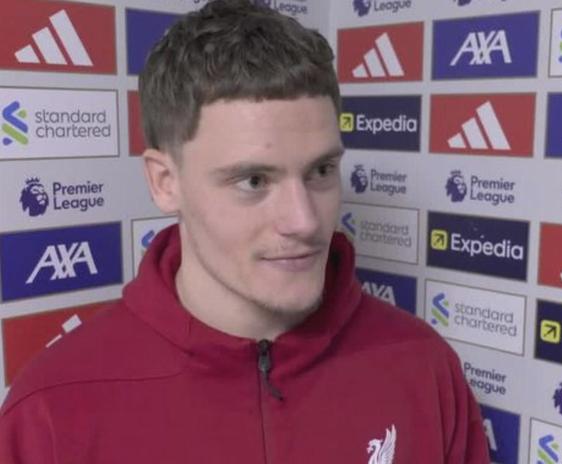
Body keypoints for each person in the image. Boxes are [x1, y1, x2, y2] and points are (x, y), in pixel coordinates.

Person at [0, 1, 490, 462]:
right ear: (165, 182)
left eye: (321, 171)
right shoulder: (52, 410)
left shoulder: (424, 368)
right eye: (254, 181)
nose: (304, 220)